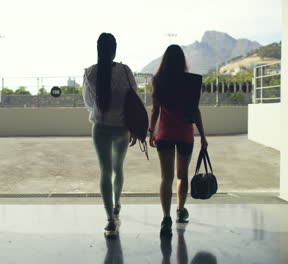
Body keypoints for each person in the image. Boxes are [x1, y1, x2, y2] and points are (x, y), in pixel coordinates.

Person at [149, 44, 208, 237]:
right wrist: (203, 136)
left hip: (164, 134)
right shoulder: (190, 82)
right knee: (182, 176)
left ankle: (166, 218)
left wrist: (151, 131)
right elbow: (196, 110)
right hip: (185, 134)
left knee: (166, 178)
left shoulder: (158, 80)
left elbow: (155, 110)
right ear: (182, 60)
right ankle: (180, 211)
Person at [82, 32, 138, 237]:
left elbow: (88, 103)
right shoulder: (124, 70)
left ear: (98, 50)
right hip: (123, 128)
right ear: (115, 50)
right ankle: (117, 203)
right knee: (118, 168)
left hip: (101, 128)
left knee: (104, 171)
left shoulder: (90, 73)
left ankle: (110, 221)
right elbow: (135, 97)